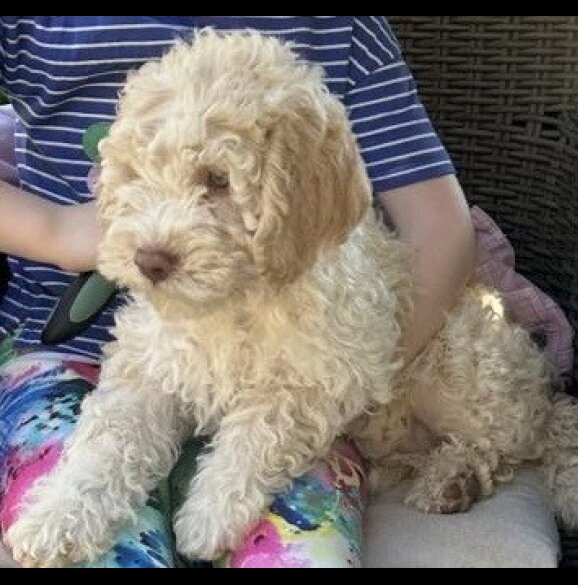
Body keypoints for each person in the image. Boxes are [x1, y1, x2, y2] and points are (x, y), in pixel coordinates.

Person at [0, 17, 474, 568]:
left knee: (299, 551)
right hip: (68, 356)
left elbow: (442, 231)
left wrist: (337, 387)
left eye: (219, 184)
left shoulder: (342, 30)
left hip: (296, 393)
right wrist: (54, 230)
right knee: (82, 543)